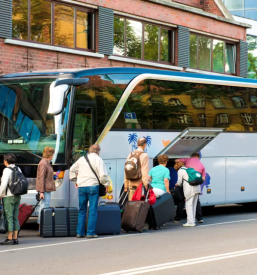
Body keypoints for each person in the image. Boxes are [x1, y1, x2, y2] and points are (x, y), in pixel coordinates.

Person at [69, 144, 109, 238]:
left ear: (89, 151)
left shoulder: (81, 159)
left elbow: (72, 169)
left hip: (82, 187)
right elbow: (103, 175)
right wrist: (106, 184)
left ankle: (80, 232)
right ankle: (90, 233)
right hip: (93, 186)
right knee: (92, 210)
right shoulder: (99, 160)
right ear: (98, 152)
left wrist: (75, 181)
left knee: (82, 210)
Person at [175, 152, 205, 223]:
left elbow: (176, 160)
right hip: (197, 186)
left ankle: (179, 218)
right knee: (196, 203)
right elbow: (203, 178)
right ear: (198, 157)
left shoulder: (188, 160)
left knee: (183, 201)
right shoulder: (201, 164)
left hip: (188, 185)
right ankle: (199, 218)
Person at [0, 154, 21, 245]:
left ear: (6, 161)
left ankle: (9, 238)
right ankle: (15, 238)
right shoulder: (18, 169)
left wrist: (0, 194)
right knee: (15, 217)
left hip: (8, 196)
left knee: (9, 217)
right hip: (17, 196)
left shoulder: (6, 170)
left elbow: (4, 184)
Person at [36, 146, 56, 236]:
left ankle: (42, 227)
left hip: (46, 189)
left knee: (45, 207)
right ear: (50, 154)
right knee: (44, 208)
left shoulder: (47, 163)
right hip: (44, 190)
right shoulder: (44, 163)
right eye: (53, 154)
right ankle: (41, 228)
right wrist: (41, 192)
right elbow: (41, 178)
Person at [174, 161, 201, 227]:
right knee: (194, 205)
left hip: (190, 189)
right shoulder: (189, 169)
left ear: (177, 167)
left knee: (188, 205)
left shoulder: (180, 171)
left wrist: (177, 184)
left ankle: (190, 222)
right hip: (197, 187)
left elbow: (179, 182)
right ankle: (193, 221)